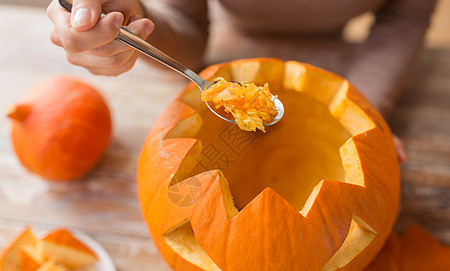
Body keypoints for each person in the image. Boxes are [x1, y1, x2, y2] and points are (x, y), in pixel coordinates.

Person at [47, 0, 438, 163]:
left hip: (349, 52)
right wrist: (136, 24)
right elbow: (186, 27)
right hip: (230, 37)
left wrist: (366, 104)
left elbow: (404, 16)